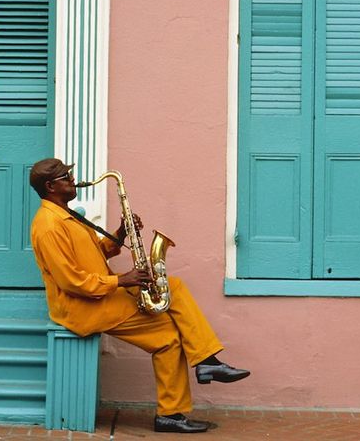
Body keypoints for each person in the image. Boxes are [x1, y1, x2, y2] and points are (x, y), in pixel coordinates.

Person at [30, 158, 250, 434]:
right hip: (84, 307)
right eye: (66, 176)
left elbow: (98, 252)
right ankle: (206, 362)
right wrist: (123, 280)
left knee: (170, 331)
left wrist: (121, 232)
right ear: (50, 186)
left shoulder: (68, 215)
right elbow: (71, 280)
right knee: (174, 298)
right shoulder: (48, 226)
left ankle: (173, 412)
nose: (73, 179)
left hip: (100, 296)